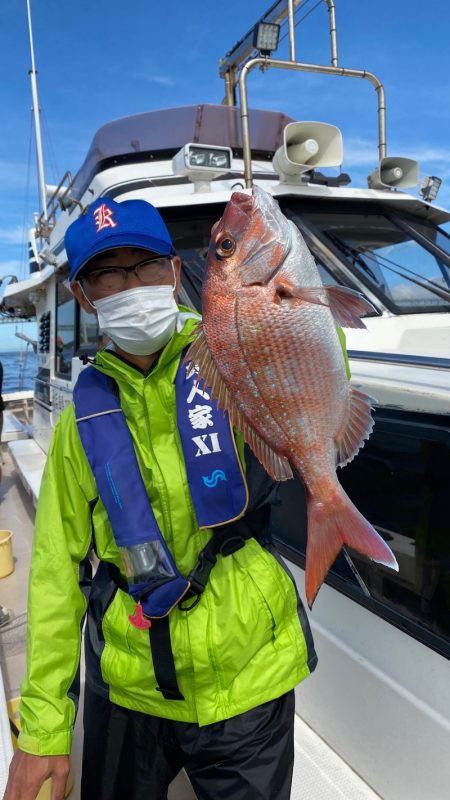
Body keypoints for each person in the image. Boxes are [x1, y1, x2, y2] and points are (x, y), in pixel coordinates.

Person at [3, 197, 318, 800]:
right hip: (130, 683)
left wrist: (290, 295)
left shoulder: (235, 355)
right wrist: (43, 730)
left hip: (250, 672)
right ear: (84, 296)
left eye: (145, 265)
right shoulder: (77, 425)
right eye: (108, 275)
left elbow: (323, 369)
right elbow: (54, 575)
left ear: (176, 273)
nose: (131, 286)